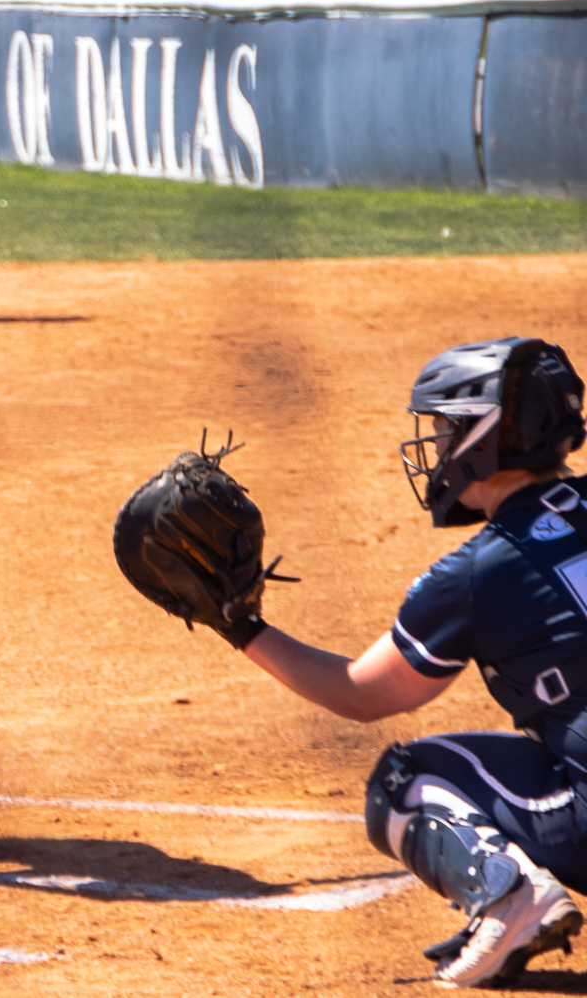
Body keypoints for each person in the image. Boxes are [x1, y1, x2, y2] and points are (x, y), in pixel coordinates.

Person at [222, 337, 587, 986]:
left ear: (484, 437)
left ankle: (510, 895)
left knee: (402, 780)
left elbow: (362, 692)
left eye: (447, 428)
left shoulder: (478, 571)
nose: (439, 446)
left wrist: (242, 626)